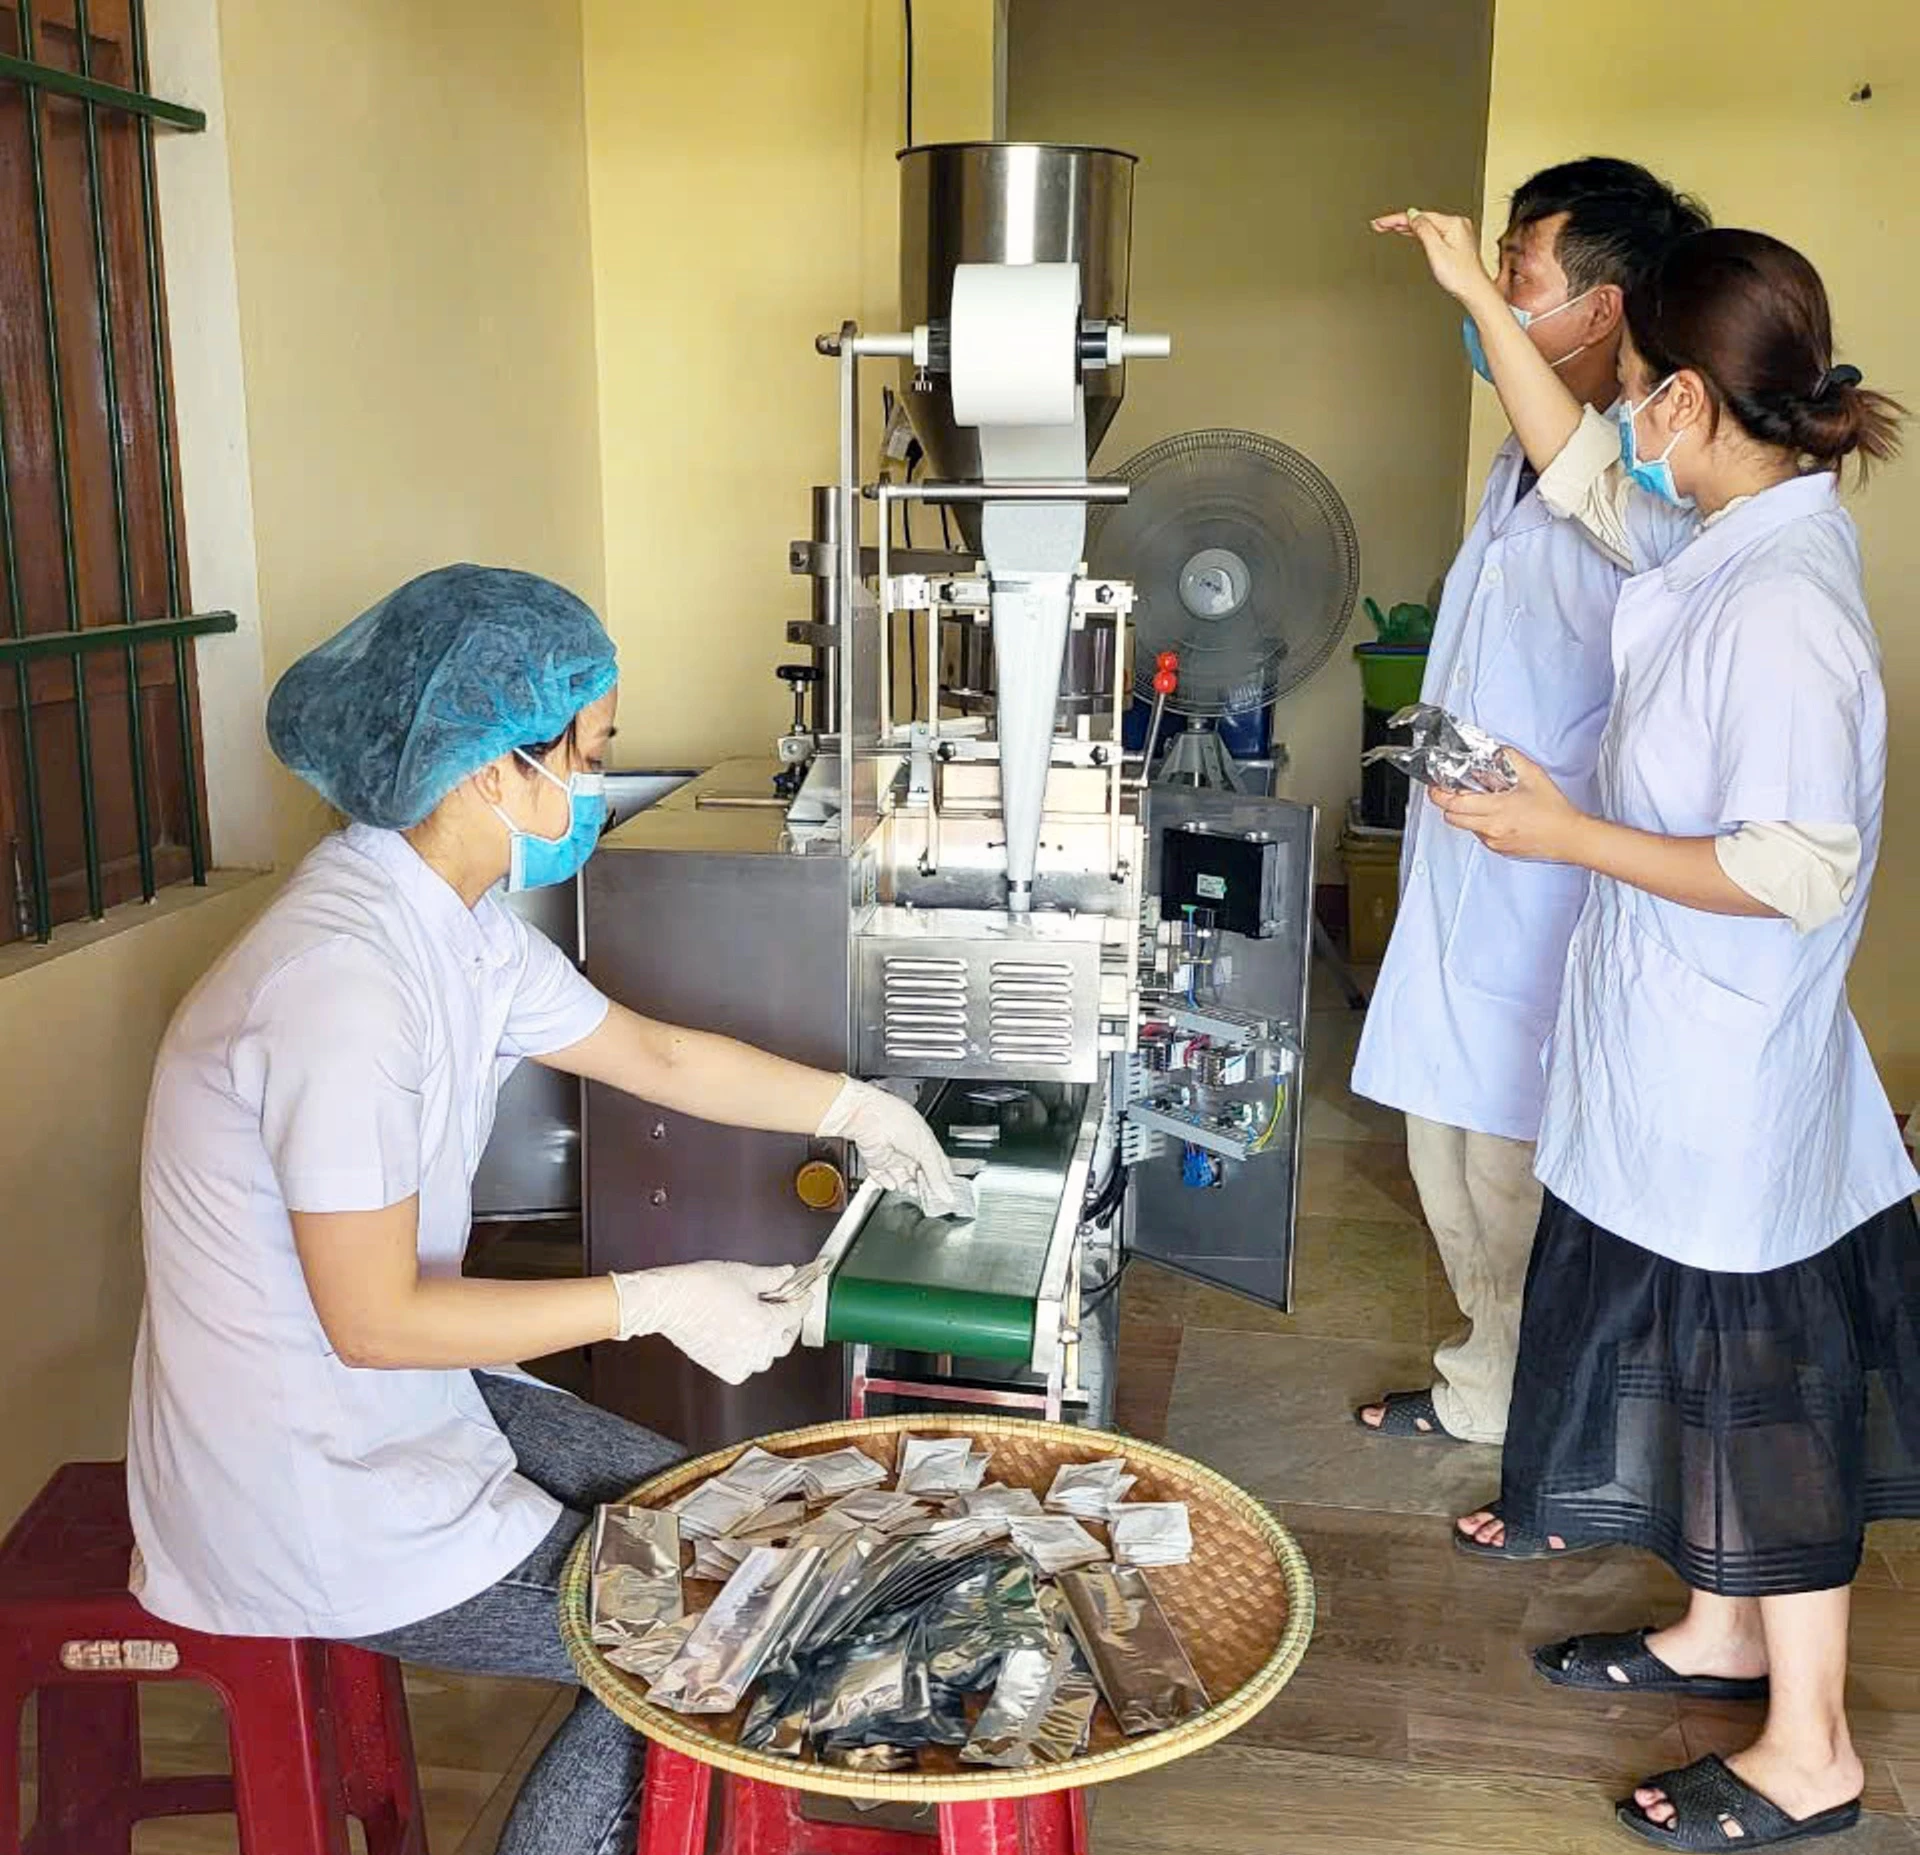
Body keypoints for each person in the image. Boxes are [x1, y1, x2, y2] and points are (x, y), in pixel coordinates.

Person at [126, 565, 970, 1855]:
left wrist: (856, 1109)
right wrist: (656, 1302)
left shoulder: (451, 932)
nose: (594, 788)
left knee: (741, 1515)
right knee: (714, 1630)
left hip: (406, 1404)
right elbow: (371, 1320)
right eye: (590, 757)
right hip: (304, 1471)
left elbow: (662, 1057)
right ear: (488, 772)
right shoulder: (340, 988)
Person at [1380, 207, 1919, 1847]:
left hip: (1735, 1094)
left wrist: (1571, 837)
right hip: (1672, 1072)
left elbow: (1802, 867)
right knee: (1701, 1391)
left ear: (1685, 399)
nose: (1617, 427)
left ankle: (1810, 1752)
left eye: (1634, 399)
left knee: (1767, 1409)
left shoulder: (1784, 607)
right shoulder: (1718, 536)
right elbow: (1582, 481)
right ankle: (1718, 1627)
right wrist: (1478, 291)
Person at [1350, 159, 1707, 1462]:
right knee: (1448, 1158)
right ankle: (1486, 1383)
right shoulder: (1518, 445)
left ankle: (1562, 1432)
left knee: (1522, 1168)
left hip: (1555, 879)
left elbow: (1599, 498)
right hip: (1473, 854)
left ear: (1605, 307)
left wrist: (1472, 298)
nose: (1494, 295)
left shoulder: (1653, 457)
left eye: (1520, 276)